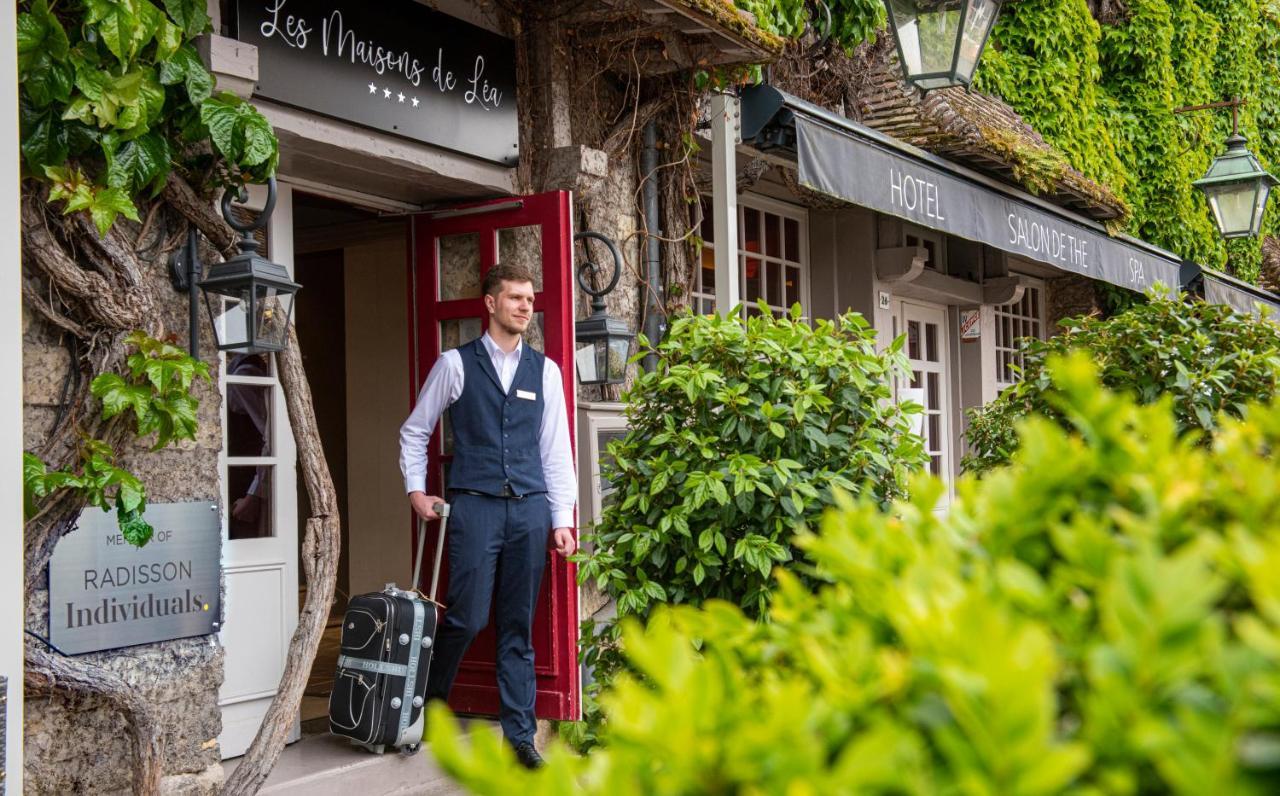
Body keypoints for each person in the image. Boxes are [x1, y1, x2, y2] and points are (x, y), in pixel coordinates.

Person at [398, 263, 577, 770]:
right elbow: (414, 432)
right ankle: (427, 710)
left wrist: (561, 518)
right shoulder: (455, 365)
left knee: (517, 625)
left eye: (530, 299)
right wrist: (417, 491)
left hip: (529, 509)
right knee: (467, 616)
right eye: (516, 298)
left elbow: (556, 451)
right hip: (474, 507)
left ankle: (520, 738)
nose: (526, 306)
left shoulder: (545, 371)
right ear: (491, 303)